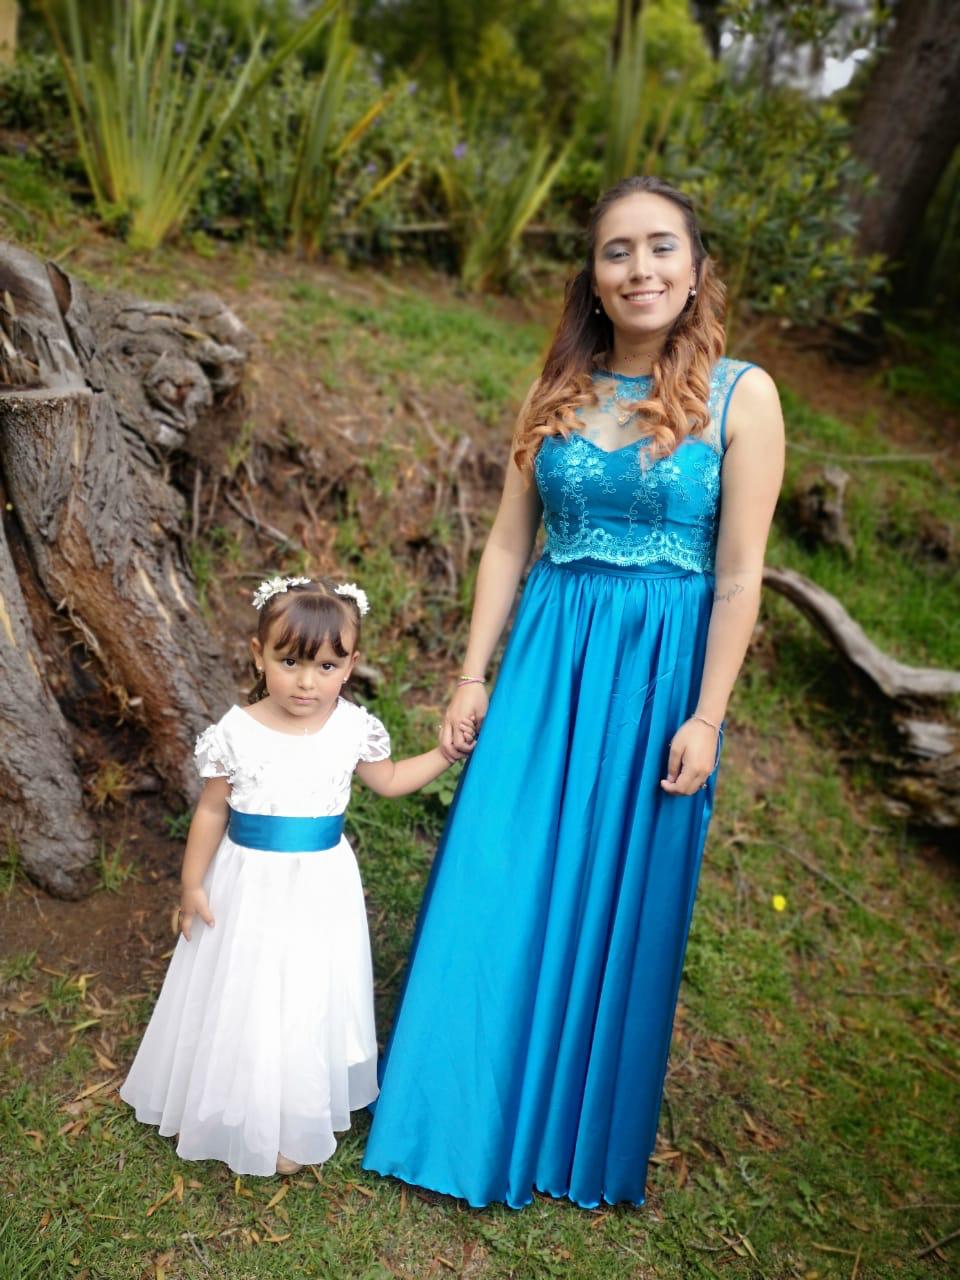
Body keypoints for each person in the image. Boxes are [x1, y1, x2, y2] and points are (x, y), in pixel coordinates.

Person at [362, 175, 785, 1209]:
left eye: (661, 247)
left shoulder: (743, 394)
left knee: (613, 892)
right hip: (550, 656)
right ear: (593, 278)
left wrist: (708, 715)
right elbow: (509, 543)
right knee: (496, 861)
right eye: (616, 251)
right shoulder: (555, 390)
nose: (640, 268)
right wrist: (473, 675)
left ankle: (565, 1137)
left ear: (696, 269)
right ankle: (449, 1114)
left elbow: (740, 575)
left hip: (660, 672)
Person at [120, 575, 471, 1177]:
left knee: (308, 991)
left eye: (327, 666)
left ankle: (295, 1112)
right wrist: (192, 884)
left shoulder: (351, 727)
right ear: (259, 655)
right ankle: (236, 1103)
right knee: (248, 989)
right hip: (248, 884)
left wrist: (444, 755)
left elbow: (388, 781)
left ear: (351, 665)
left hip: (320, 888)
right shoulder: (237, 730)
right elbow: (212, 810)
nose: (308, 682)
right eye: (290, 663)